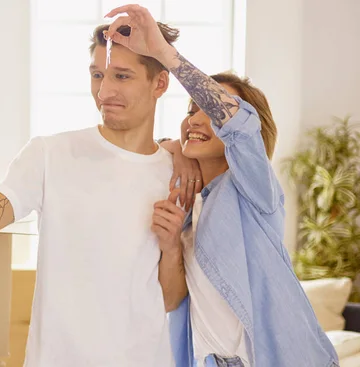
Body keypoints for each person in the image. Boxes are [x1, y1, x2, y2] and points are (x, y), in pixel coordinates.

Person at [0, 16, 202, 367]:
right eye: (97, 75)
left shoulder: (179, 176)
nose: (104, 92)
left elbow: (170, 300)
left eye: (122, 76)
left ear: (160, 83)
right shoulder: (49, 154)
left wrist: (170, 249)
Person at [103, 4, 340, 367]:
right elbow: (171, 301)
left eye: (209, 112)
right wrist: (170, 245)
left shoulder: (256, 193)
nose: (195, 119)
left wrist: (162, 53)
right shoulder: (186, 205)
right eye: (190, 110)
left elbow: (238, 125)